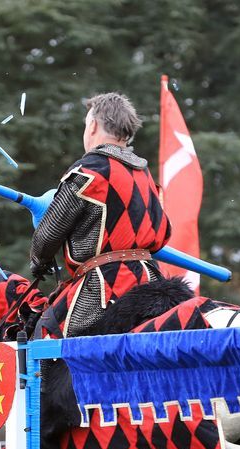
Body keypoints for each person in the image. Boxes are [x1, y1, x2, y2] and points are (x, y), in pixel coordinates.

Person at [29, 92, 171, 339]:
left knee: (46, 336)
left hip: (104, 287)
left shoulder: (89, 171)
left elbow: (49, 233)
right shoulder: (146, 177)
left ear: (92, 125)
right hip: (151, 281)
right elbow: (164, 233)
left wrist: (39, 263)